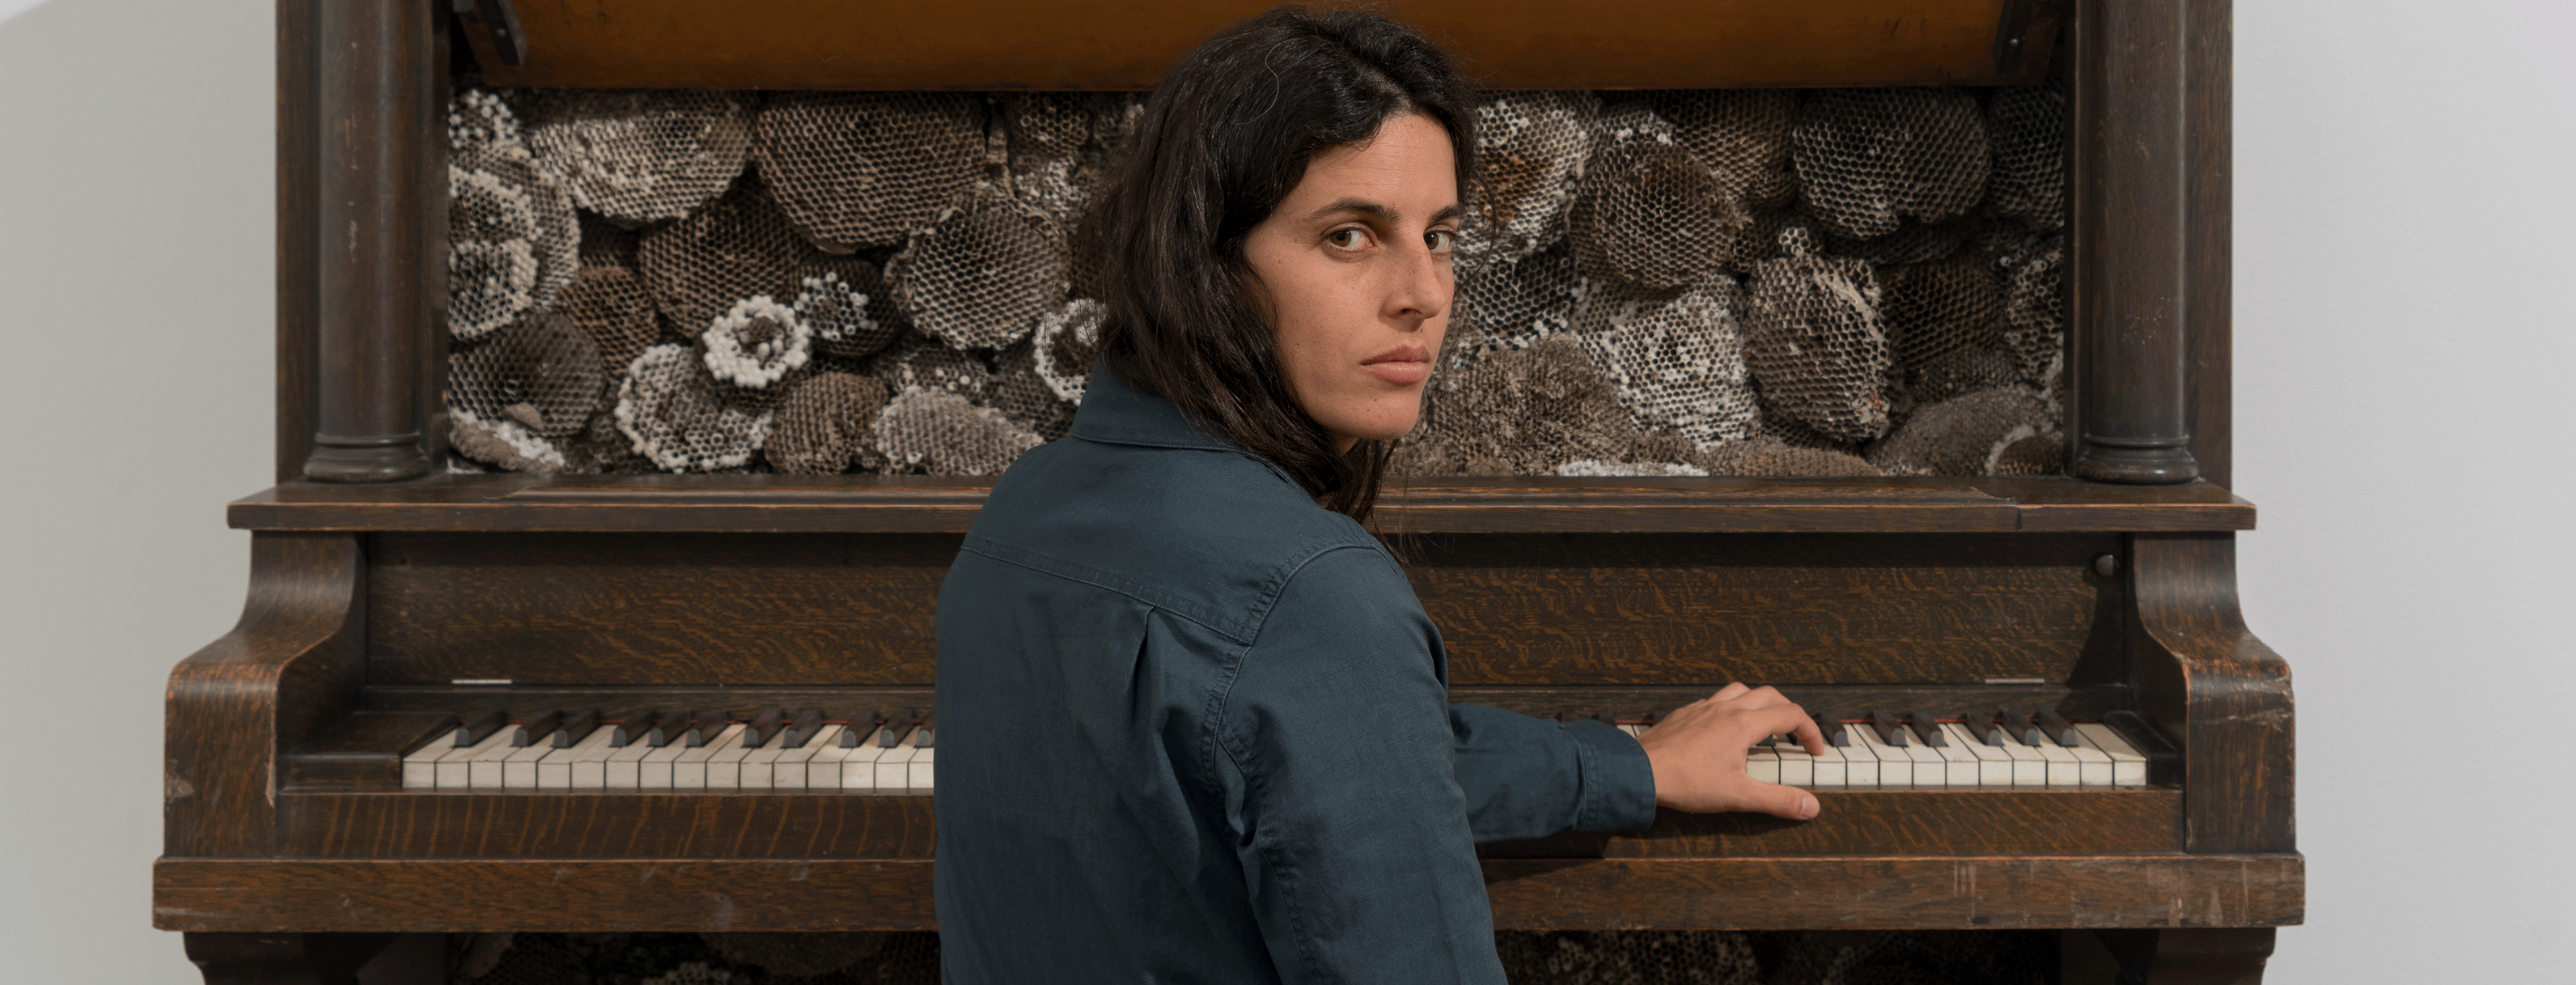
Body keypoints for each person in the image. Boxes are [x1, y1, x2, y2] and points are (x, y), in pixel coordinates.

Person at [932, 7, 1824, 983]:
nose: (1423, 293)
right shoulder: (1311, 593)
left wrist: (1623, 766)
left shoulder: (1025, 502)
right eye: (1349, 235)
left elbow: (1312, 768)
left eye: (1438, 237)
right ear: (1203, 264)